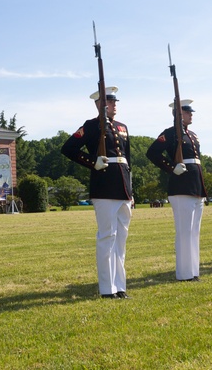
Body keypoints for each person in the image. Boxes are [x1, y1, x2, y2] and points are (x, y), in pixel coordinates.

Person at [62, 86, 133, 298]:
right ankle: (106, 289)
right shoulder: (91, 126)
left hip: (123, 187)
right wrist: (93, 162)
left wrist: (131, 191)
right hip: (104, 186)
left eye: (115, 101)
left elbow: (128, 161)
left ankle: (120, 286)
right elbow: (69, 149)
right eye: (110, 102)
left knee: (120, 240)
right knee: (106, 237)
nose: (114, 105)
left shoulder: (122, 127)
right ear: (99, 105)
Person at [147, 100, 205, 281]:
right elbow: (152, 153)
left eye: (190, 112)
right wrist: (171, 167)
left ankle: (193, 271)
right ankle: (184, 273)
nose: (191, 115)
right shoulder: (170, 134)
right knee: (184, 231)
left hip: (195, 185)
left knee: (194, 231)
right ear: (178, 114)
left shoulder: (193, 135)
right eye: (187, 112)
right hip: (181, 186)